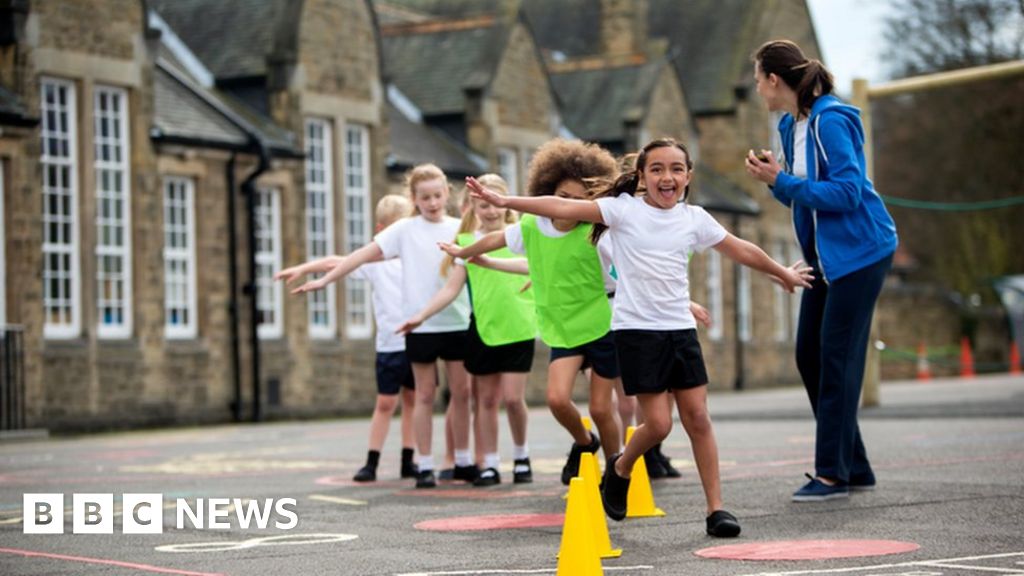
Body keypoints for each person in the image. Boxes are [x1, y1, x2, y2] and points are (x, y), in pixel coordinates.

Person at [465, 137, 813, 538]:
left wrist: (781, 272)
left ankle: (716, 509)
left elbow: (739, 248)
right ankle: (621, 465)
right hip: (637, 332)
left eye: (676, 169)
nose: (668, 176)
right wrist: (508, 202)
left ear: (688, 176)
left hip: (679, 332)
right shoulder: (622, 211)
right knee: (659, 425)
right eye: (658, 169)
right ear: (643, 177)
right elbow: (562, 206)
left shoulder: (694, 218)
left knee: (698, 417)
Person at [744, 39, 898, 502]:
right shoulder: (791, 124)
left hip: (861, 254)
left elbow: (847, 193)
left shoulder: (831, 120)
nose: (757, 90)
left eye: (757, 80)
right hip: (824, 259)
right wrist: (778, 183)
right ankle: (857, 467)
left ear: (775, 79)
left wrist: (783, 180)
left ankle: (832, 475)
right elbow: (804, 198)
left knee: (835, 359)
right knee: (808, 355)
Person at [440, 139, 622, 485]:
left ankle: (615, 472)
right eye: (561, 198)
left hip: (601, 323)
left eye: (579, 201)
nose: (567, 207)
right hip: (563, 326)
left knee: (601, 408)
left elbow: (627, 277)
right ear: (546, 193)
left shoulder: (600, 235)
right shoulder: (532, 228)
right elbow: (495, 241)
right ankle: (585, 442)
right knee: (556, 399)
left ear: (593, 204)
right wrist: (464, 253)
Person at [292, 164, 476, 489]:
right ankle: (424, 465)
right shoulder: (404, 230)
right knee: (423, 396)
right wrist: (324, 281)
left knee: (461, 393)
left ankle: (462, 460)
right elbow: (361, 255)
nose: (432, 202)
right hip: (418, 327)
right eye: (424, 197)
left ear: (447, 193)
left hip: (456, 322)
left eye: (437, 195)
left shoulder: (459, 228)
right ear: (414, 198)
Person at [398, 174, 537, 486]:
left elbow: (540, 269)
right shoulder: (466, 244)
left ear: (504, 204)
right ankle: (488, 463)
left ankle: (521, 455)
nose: (488, 211)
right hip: (484, 329)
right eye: (481, 205)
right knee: (485, 401)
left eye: (492, 204)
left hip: (519, 327)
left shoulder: (522, 236)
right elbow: (450, 289)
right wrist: (420, 316)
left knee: (513, 399)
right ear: (472, 207)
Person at [275, 194, 418, 482]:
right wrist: (304, 268)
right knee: (386, 403)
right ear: (381, 231)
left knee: (414, 402)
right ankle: (372, 461)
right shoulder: (375, 264)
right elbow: (335, 263)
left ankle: (409, 459)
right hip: (389, 345)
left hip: (417, 342)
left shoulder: (417, 260)